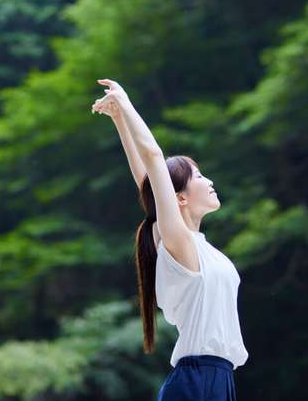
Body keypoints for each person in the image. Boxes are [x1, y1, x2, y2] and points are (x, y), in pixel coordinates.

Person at [91, 78, 248, 400]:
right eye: (199, 177)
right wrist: (125, 103)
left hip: (220, 379)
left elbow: (146, 183)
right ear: (180, 198)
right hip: (197, 380)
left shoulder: (197, 246)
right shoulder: (180, 244)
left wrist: (120, 120)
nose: (210, 181)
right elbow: (152, 159)